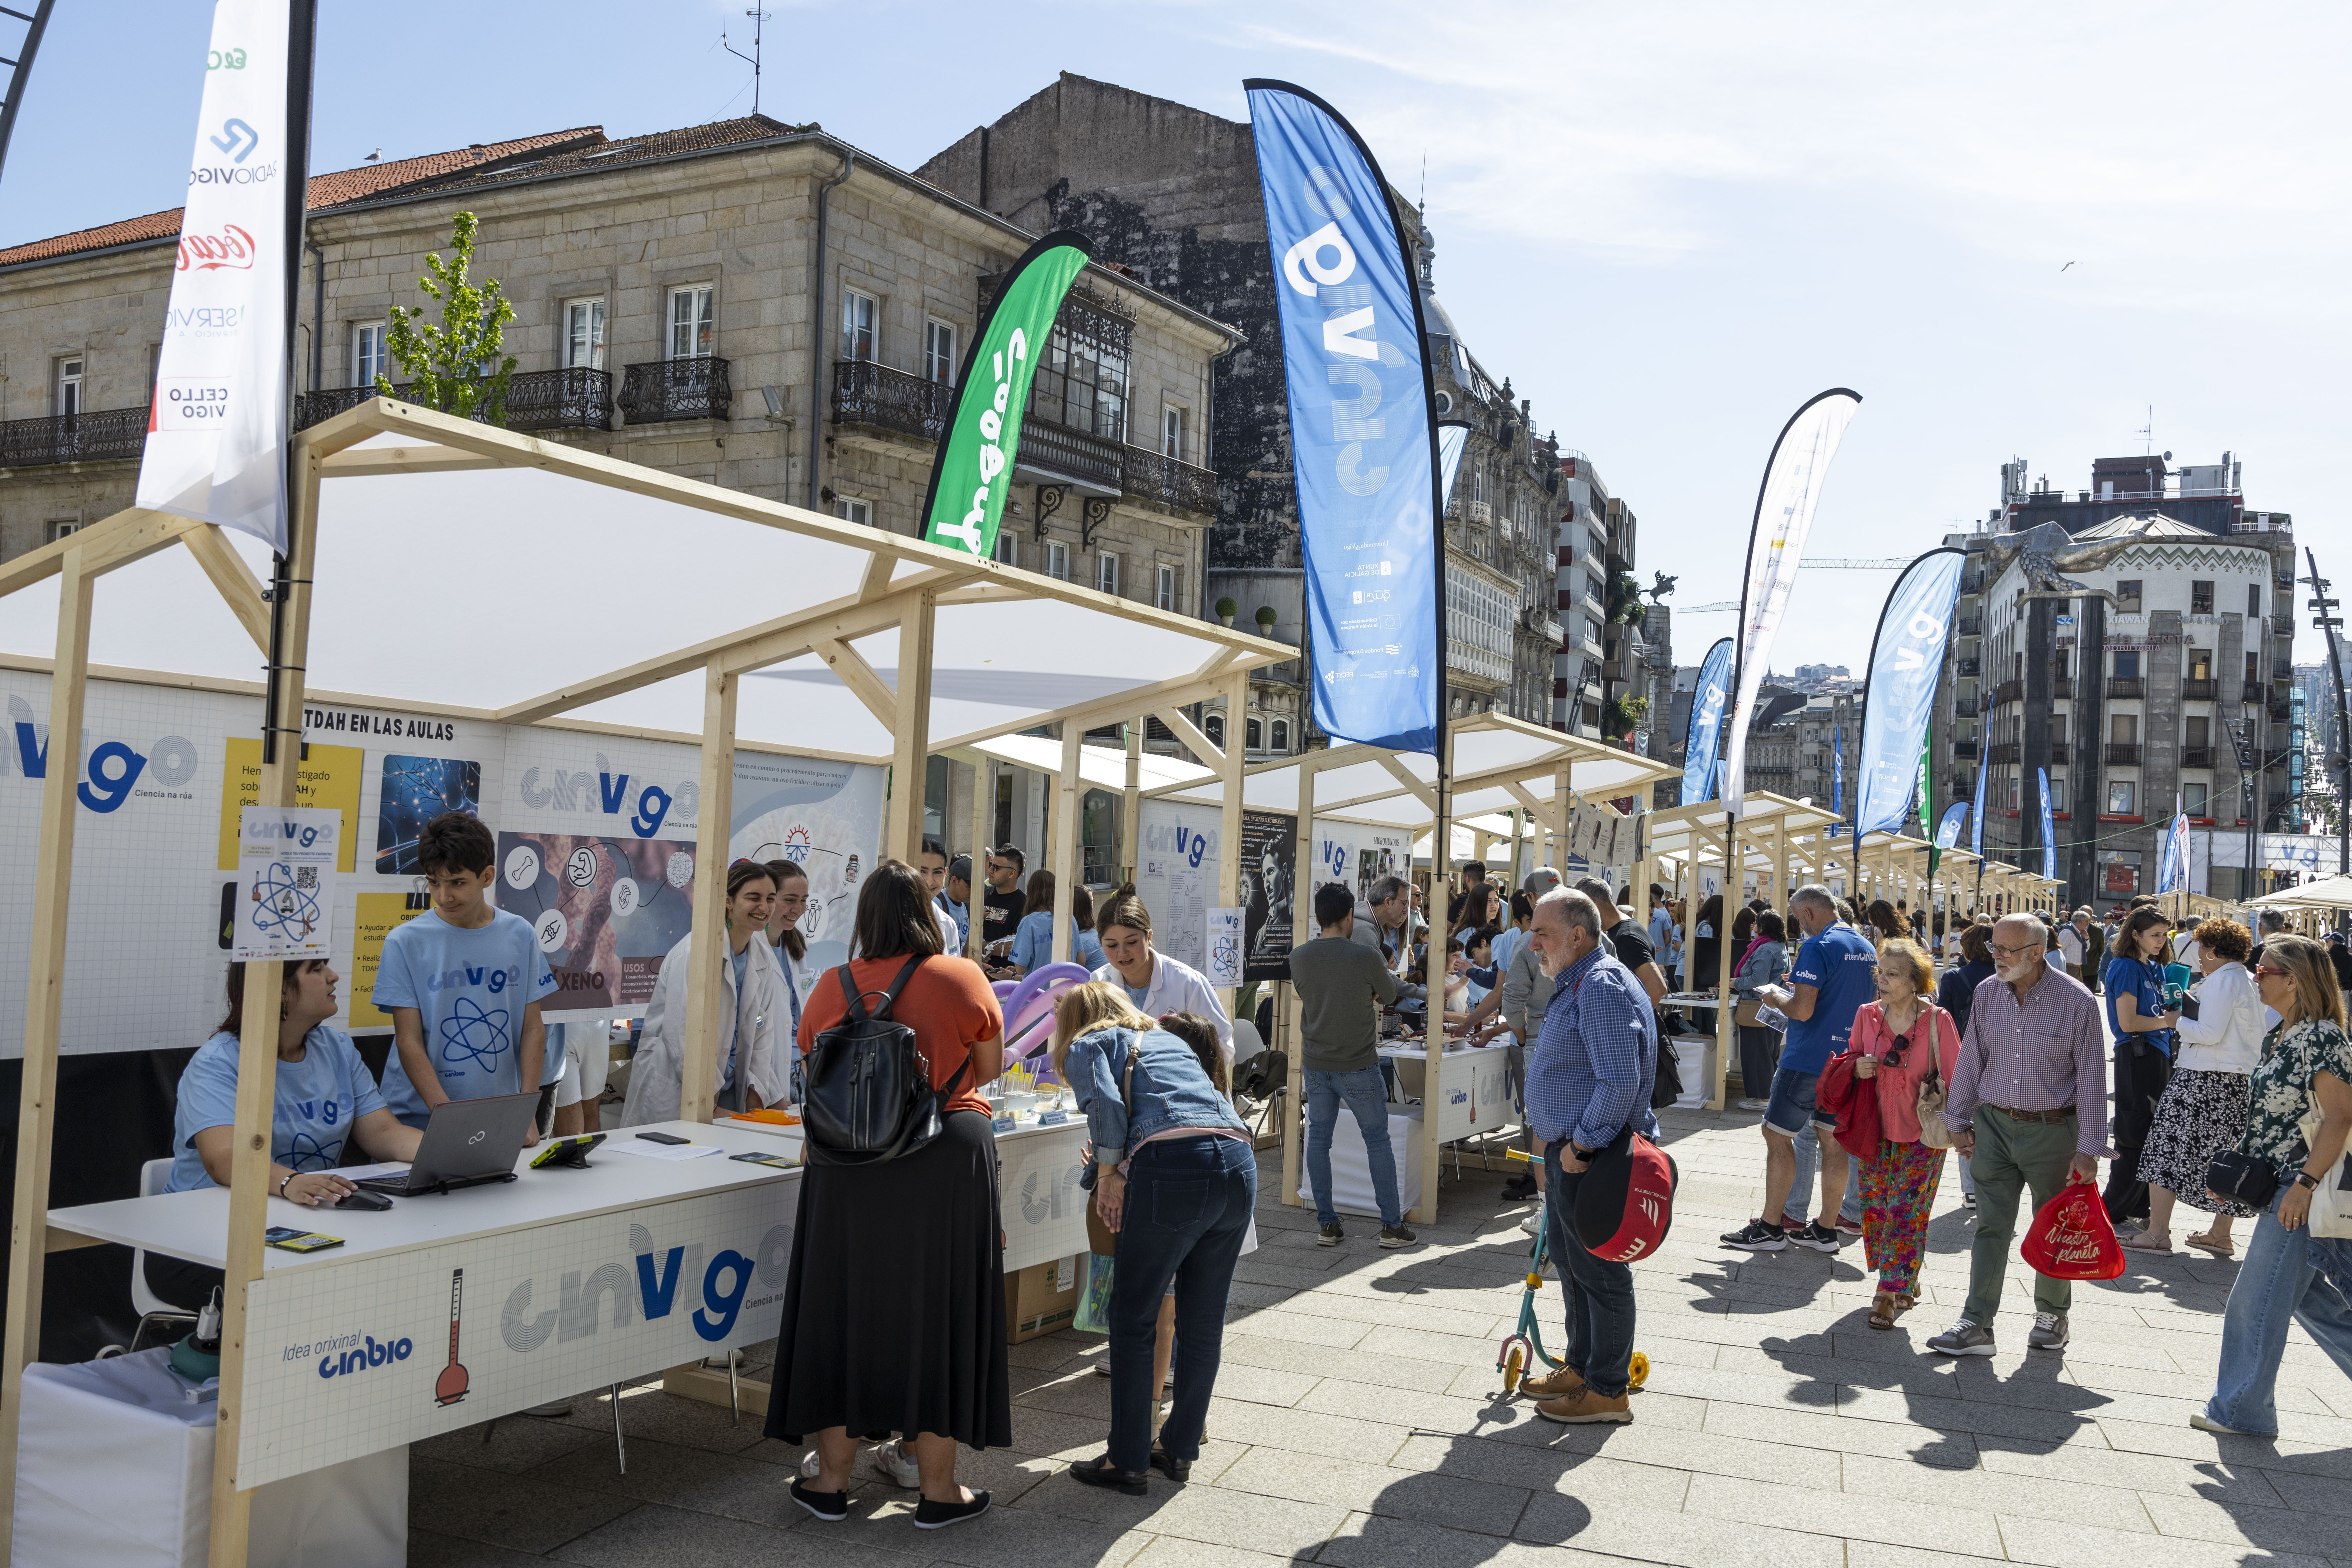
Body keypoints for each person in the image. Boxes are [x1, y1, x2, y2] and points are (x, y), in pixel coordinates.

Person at [770, 860, 1006, 1528]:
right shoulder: (960, 975)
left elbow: (814, 1065)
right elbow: (986, 1070)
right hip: (942, 1159)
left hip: (846, 1167)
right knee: (939, 1313)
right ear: (926, 912)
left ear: (864, 918)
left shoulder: (829, 985)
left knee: (843, 1308)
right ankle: (937, 1492)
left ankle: (830, 1483)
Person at [1056, 985, 1255, 1493]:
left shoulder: (1089, 1043)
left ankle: (1126, 1459)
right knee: (1203, 1319)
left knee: (1133, 1314)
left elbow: (1105, 1106)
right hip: (1238, 1161)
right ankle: (1179, 1448)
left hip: (1173, 1169)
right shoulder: (1165, 1038)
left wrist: (1106, 1176)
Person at [150, 959, 426, 1308]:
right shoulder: (217, 1063)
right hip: (199, 1240)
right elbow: (224, 1158)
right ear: (277, 988)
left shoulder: (338, 1048)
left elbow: (385, 1133)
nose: (333, 975)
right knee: (323, 1289)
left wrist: (451, 1152)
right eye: (315, 969)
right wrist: (289, 1182)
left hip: (300, 1225)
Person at [1927, 913, 2108, 1357]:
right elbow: (1972, 1059)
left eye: (2007, 950)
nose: (1998, 956)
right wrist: (1957, 1118)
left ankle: (2051, 1315)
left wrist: (2089, 1150)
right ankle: (1977, 1322)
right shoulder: (1988, 992)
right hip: (1993, 1126)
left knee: (2055, 1227)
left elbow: (2091, 1079)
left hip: (2054, 1131)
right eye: (1995, 948)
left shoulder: (2077, 1001)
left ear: (2036, 952)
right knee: (1991, 1226)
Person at [2196, 935, 2352, 1437]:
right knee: (2311, 1305)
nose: (2253, 977)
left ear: (2294, 980)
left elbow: (2341, 1117)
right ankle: (2244, 1407)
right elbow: (2269, 1120)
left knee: (2255, 1301)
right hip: (2281, 1182)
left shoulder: (2323, 1037)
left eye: (2262, 972)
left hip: (2306, 1184)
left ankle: (2240, 1411)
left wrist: (2303, 1184)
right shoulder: (2281, 1034)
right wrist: (2238, 1176)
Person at [1517, 888, 1657, 1424]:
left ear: (1577, 936)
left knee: (1601, 1275)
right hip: (1573, 1153)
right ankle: (1581, 1367)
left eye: (1543, 934)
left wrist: (1582, 1145)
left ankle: (1607, 1389)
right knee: (1575, 1269)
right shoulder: (1584, 980)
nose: (1533, 944)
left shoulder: (1599, 985)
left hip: (1592, 1156)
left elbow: (1619, 1079)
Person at [374, 812, 555, 1142]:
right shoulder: (404, 942)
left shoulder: (521, 935)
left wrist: (525, 1109)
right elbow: (408, 1042)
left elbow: (533, 1029)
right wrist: (450, 1117)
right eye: (434, 882)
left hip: (497, 1114)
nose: (444, 896)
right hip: (420, 1120)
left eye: (457, 883)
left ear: (487, 876)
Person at [1723, 886, 1874, 1253]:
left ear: (1807, 913)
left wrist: (1776, 998)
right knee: (1833, 1141)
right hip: (1848, 1061)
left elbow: (1802, 1010)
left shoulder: (1817, 946)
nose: (1796, 924)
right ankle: (1825, 1229)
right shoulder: (1866, 946)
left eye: (1795, 916)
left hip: (1808, 1060)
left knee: (1777, 1136)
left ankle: (1772, 1226)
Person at [1840, 938, 1963, 1329]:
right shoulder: (1866, 1015)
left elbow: (1958, 1075)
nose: (1884, 980)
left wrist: (1965, 1129)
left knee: (1905, 1211)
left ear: (1916, 982)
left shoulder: (1938, 1020)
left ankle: (1887, 1292)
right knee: (1875, 1211)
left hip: (1923, 1133)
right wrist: (1858, 1066)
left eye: (1894, 974)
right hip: (1874, 1131)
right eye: (1882, 972)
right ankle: (1904, 1278)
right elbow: (1850, 1058)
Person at [1288, 882, 1416, 1247]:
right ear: (1349, 915)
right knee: (1377, 1140)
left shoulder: (1299, 957)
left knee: (1318, 1139)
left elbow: (1307, 993)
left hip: (1316, 1062)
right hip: (1358, 1062)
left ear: (1317, 917)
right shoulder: (1365, 957)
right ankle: (1392, 1226)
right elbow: (1391, 994)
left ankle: (1327, 1224)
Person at [621, 859, 793, 1125]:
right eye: (753, 897)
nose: (764, 907)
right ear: (728, 901)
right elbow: (682, 1038)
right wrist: (707, 1101)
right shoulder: (695, 953)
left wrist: (757, 1099)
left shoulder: (762, 960)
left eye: (770, 898)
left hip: (727, 1093)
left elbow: (762, 1035)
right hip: (681, 1092)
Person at [2131, 917, 2264, 1256]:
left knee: (2165, 1146)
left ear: (2215, 949)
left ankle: (2158, 1232)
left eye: (2203, 949)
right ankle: (2220, 1234)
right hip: (2235, 1080)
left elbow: (2209, 1033)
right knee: (2225, 1156)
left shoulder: (2222, 983)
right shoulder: (2247, 979)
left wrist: (2177, 1021)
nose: (2199, 957)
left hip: (2204, 1077)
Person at [2102, 906, 2180, 1230]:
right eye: (2155, 935)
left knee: (2153, 1133)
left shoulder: (2154, 966)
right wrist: (2169, 1020)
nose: (2162, 941)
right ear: (2135, 934)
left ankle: (2140, 1204)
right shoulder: (2124, 966)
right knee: (2135, 1131)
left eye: (2164, 935)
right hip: (2137, 1054)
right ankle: (2112, 1208)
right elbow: (2128, 1021)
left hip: (2159, 1053)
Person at [1092, 885, 1232, 1060]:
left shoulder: (1188, 983)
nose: (1122, 953)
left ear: (1149, 937)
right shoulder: (1098, 983)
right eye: (1112, 945)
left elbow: (1222, 1045)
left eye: (1132, 942)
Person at [1935, 922, 1999, 1209]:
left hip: (1963, 1056)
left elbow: (1943, 1020)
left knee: (1964, 1119)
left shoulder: (1953, 978)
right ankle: (1995, 1183)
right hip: (2001, 1055)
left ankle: (1971, 1190)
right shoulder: (2005, 976)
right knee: (1997, 1121)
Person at [1572, 877, 1669, 1008]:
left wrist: (1629, 1023)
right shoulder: (1627, 928)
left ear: (1592, 904)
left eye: (1579, 908)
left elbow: (1657, 988)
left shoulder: (1626, 937)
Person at [1733, 910, 1793, 1112]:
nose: (1753, 927)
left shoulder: (1765, 950)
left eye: (1756, 924)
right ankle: (1768, 1095)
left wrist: (1736, 983)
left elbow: (1757, 981)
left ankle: (1762, 1097)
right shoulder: (1780, 947)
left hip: (1756, 1007)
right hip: (1775, 1007)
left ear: (1763, 927)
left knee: (1757, 1053)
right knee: (1769, 1052)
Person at [1007, 869, 1107, 975]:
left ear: (1031, 893)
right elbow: (1081, 961)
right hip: (1064, 988)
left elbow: (1021, 969)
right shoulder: (1069, 919)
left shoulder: (1029, 922)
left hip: (1039, 990)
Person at [1350, 874, 1417, 977]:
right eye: (1404, 903)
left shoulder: (1371, 925)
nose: (1405, 909)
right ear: (1388, 902)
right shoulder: (1365, 931)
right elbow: (1383, 977)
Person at [917, 837, 964, 954]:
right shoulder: (890, 919)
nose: (930, 881)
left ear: (946, 873)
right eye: (922, 871)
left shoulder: (949, 925)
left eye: (937, 872)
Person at [980, 844, 1027, 960]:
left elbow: (1012, 946)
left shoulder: (1024, 904)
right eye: (991, 865)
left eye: (996, 868)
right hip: (979, 973)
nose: (990, 870)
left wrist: (982, 948)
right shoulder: (982, 895)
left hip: (1004, 974)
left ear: (1012, 874)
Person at [940, 855, 974, 953]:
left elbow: (966, 948)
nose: (973, 892)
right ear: (954, 881)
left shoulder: (968, 906)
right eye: (969, 887)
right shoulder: (937, 904)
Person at [2055, 911, 2087, 982]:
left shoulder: (2078, 932)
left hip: (2077, 969)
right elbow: (2059, 950)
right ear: (2082, 922)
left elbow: (2085, 950)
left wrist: (2087, 939)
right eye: (2087, 922)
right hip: (2069, 969)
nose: (2088, 925)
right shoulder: (2068, 932)